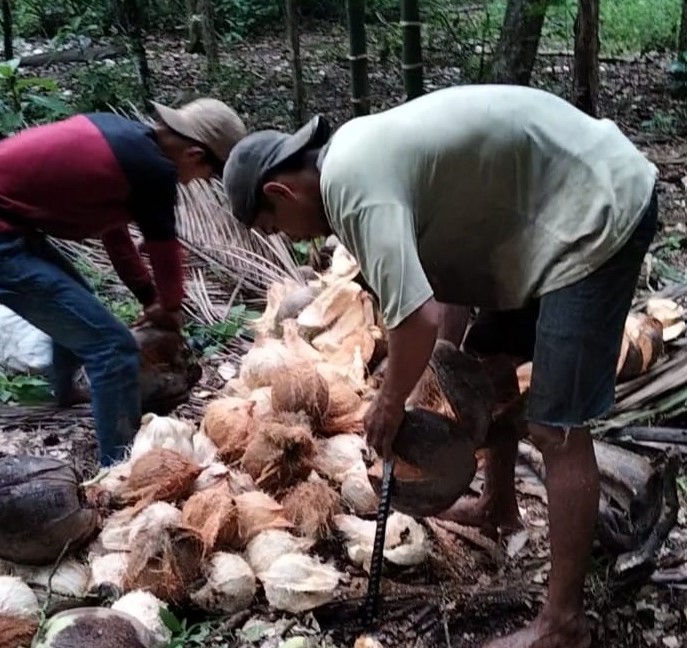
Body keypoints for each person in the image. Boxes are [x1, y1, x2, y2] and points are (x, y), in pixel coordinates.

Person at [221, 84, 659, 648]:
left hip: (594, 211)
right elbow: (441, 295)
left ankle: (563, 624)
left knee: (558, 428)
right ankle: (500, 508)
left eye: (277, 225)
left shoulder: (352, 187)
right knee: (483, 369)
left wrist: (391, 401)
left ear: (281, 191)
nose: (291, 238)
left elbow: (418, 318)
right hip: (540, 213)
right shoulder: (359, 159)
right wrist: (448, 368)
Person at [0, 98, 246, 467]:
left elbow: (114, 235)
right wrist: (172, 308)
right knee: (113, 350)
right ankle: (118, 466)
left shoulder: (124, 141)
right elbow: (165, 248)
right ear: (195, 154)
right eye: (206, 175)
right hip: (6, 238)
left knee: (76, 298)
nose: (196, 182)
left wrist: (150, 298)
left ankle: (65, 393)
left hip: (13, 228)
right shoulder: (153, 169)